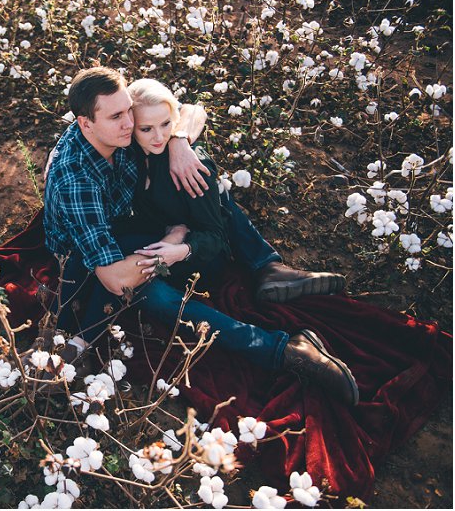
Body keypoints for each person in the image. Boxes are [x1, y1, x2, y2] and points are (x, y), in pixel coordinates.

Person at [43, 67, 357, 405]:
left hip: (126, 224)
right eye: (117, 116)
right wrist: (177, 239)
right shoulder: (78, 182)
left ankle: (266, 266)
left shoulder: (118, 130)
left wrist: (180, 143)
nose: (129, 124)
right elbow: (116, 279)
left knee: (193, 171)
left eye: (128, 112)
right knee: (156, 296)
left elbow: (191, 111)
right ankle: (282, 350)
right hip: (88, 256)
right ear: (85, 123)